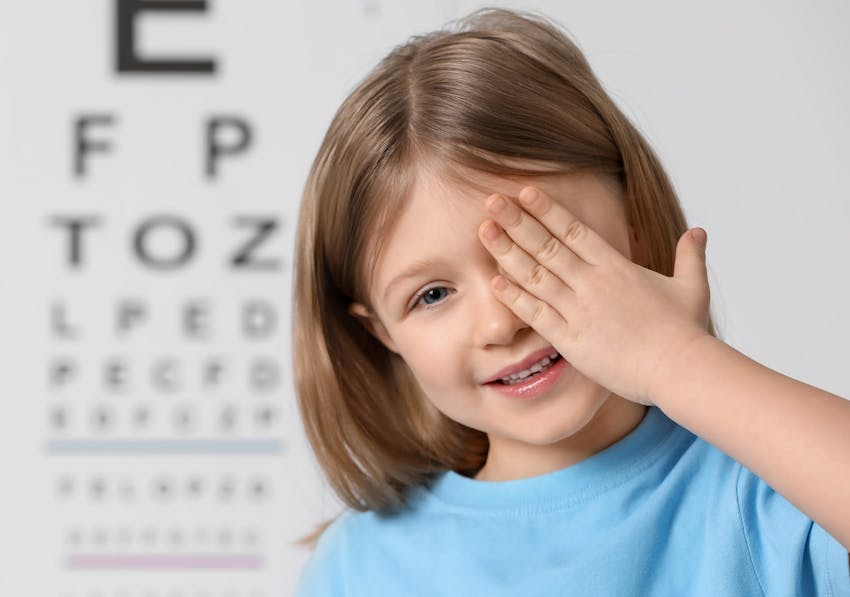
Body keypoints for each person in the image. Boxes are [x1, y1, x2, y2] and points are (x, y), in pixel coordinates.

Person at [290, 7, 850, 596]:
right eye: (432, 295)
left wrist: (676, 360)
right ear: (381, 334)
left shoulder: (771, 498)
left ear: (632, 216)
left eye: (538, 245)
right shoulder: (363, 567)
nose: (501, 321)